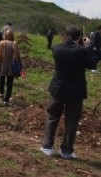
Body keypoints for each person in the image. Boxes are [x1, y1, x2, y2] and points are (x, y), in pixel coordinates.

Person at [40, 26, 97, 159]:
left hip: (58, 88)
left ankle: (47, 146)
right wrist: (88, 47)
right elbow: (92, 64)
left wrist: (81, 46)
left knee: (52, 117)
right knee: (72, 121)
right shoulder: (82, 51)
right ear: (78, 38)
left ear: (65, 35)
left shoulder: (56, 48)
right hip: (76, 91)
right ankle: (66, 150)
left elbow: (70, 50)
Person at [0, 29, 21, 106]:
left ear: (5, 35)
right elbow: (18, 56)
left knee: (2, 79)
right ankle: (7, 99)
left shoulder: (1, 43)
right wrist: (20, 65)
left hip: (2, 64)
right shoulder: (14, 44)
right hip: (11, 66)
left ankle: (1, 93)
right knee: (10, 83)